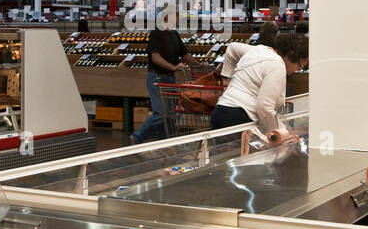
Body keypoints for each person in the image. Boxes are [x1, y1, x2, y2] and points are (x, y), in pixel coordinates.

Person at [210, 33, 307, 134]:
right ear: (290, 55)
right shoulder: (278, 65)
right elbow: (264, 106)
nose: (297, 70)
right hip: (238, 118)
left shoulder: (260, 50)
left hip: (220, 111)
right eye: (300, 66)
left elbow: (232, 48)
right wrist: (280, 132)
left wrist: (227, 80)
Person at [130, 15, 199, 145]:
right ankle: (137, 137)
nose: (179, 20)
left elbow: (184, 54)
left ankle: (164, 143)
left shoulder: (174, 34)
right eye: (177, 16)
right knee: (160, 114)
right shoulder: (156, 33)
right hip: (157, 77)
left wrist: (199, 64)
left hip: (170, 78)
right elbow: (155, 58)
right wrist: (174, 67)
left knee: (170, 116)